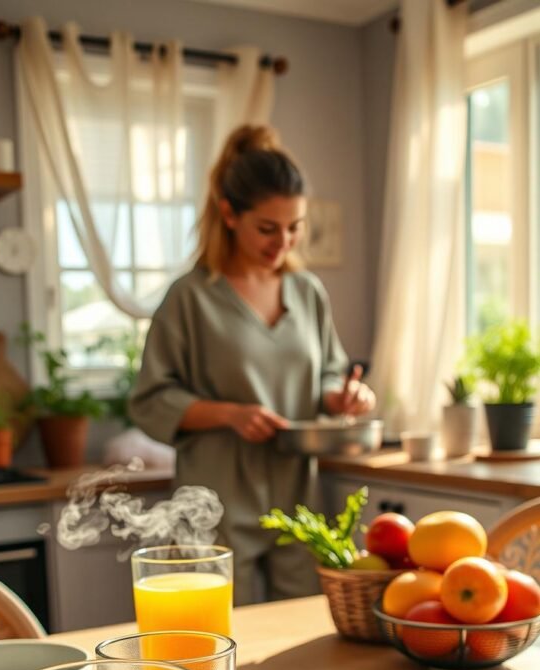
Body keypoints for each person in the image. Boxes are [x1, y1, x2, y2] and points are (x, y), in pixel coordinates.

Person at [129, 124, 376, 606]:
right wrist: (230, 414)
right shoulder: (190, 298)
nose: (283, 241)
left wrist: (342, 395)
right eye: (268, 228)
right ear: (229, 214)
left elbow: (329, 371)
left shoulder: (307, 293)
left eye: (294, 227)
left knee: (304, 634)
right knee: (220, 639)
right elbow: (150, 400)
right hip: (215, 500)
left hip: (297, 496)